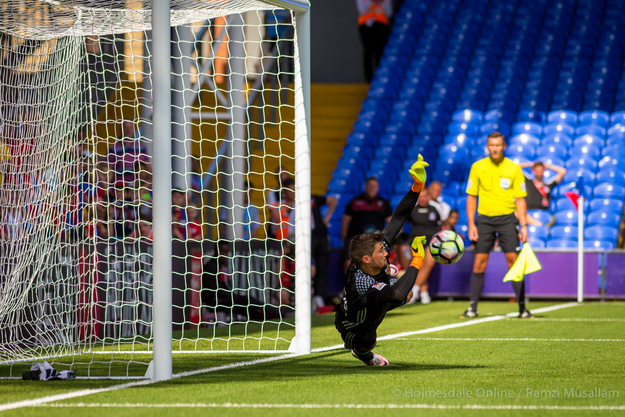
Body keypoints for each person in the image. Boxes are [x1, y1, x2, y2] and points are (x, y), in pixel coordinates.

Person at [334, 155, 429, 366]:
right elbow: (396, 294)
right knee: (369, 338)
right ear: (367, 259)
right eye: (381, 252)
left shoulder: (369, 255)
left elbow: (397, 219)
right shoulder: (361, 283)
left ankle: (384, 297)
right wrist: (417, 259)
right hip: (354, 325)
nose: (386, 253)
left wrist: (416, 188)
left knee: (407, 292)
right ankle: (362, 352)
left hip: (376, 295)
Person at [462, 132, 532, 319]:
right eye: (491, 145)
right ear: (487, 146)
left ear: (504, 146)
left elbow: (520, 200)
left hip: (508, 219)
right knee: (479, 263)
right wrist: (471, 224)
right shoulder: (478, 167)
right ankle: (472, 308)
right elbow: (471, 197)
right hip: (484, 220)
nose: (494, 148)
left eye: (498, 145)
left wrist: (524, 226)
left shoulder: (514, 168)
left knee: (514, 262)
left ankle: (523, 309)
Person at [341, 177, 392, 272]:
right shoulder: (355, 202)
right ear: (365, 187)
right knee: (349, 262)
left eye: (374, 186)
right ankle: (350, 285)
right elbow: (345, 220)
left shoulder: (384, 203)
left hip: (376, 241)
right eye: (370, 186)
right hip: (356, 239)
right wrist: (344, 238)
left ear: (378, 188)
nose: (372, 188)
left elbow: (391, 222)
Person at [407, 188, 442, 304]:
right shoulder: (413, 210)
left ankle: (414, 290)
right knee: (420, 267)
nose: (422, 198)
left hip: (432, 242)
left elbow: (440, 226)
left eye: (425, 196)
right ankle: (424, 293)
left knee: (429, 265)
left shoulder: (434, 209)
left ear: (428, 196)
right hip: (417, 241)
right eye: (420, 196)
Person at [356, 0, 392, 83]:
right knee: (368, 51)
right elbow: (362, 10)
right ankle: (368, 77)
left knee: (380, 51)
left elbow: (389, 12)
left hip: (381, 25)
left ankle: (379, 76)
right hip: (366, 26)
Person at [311, 193, 337, 305]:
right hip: (307, 236)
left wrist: (327, 218)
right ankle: (310, 294)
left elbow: (333, 201)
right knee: (310, 267)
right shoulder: (293, 202)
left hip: (321, 235)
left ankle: (319, 296)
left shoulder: (313, 198)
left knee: (321, 266)